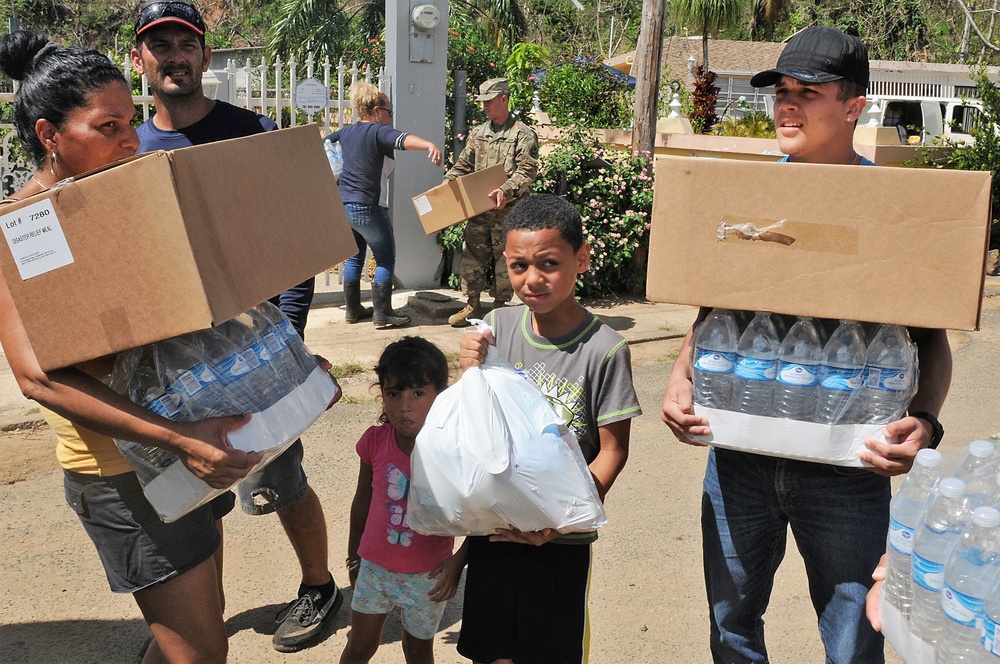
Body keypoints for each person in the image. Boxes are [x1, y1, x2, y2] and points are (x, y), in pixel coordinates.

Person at [659, 26, 953, 664]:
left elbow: (930, 339)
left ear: (854, 107)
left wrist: (925, 421)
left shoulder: (896, 215)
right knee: (730, 623)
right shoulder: (746, 206)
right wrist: (682, 376)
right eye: (780, 91)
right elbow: (715, 312)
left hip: (848, 465)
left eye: (807, 93)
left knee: (853, 636)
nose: (786, 105)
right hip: (740, 456)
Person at [0, 29, 268, 663]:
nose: (130, 139)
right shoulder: (22, 229)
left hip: (183, 449)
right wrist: (179, 439)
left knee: (198, 637)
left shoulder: (115, 202)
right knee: (201, 651)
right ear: (49, 135)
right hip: (122, 471)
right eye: (108, 125)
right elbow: (40, 380)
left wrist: (283, 374)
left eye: (130, 120)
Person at [130, 1, 344, 652]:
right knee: (196, 495)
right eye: (158, 44)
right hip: (176, 362)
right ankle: (199, 626)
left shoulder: (251, 130)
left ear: (205, 56)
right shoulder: (130, 149)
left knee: (280, 479)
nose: (173, 55)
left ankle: (319, 586)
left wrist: (288, 341)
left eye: (184, 43)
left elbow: (295, 245)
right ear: (140, 60)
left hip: (255, 347)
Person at [456, 193, 641, 663]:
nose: (531, 279)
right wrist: (467, 370)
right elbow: (474, 426)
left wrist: (562, 521)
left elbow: (612, 451)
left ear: (581, 259)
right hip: (495, 532)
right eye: (518, 266)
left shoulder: (605, 349)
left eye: (549, 264)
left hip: (562, 541)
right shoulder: (497, 328)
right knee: (491, 651)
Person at [339, 337, 466, 664]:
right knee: (359, 648)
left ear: (440, 395)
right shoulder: (374, 442)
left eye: (418, 394)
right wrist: (354, 557)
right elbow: (361, 503)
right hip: (375, 571)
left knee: (419, 652)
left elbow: (483, 517)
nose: (404, 406)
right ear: (381, 393)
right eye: (393, 393)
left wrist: (458, 562)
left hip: (430, 578)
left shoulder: (455, 449)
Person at [325, 82, 442, 329]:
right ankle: (383, 313)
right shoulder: (378, 131)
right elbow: (403, 139)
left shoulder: (346, 133)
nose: (390, 117)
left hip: (344, 205)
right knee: (386, 259)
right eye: (389, 112)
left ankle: (353, 310)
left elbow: (325, 141)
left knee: (355, 258)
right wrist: (429, 145)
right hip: (369, 205)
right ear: (377, 111)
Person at [444, 77, 539, 328]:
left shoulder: (523, 134)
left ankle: (500, 310)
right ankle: (472, 305)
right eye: (482, 101)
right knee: (472, 254)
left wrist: (505, 190)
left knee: (505, 259)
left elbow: (526, 171)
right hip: (479, 209)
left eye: (489, 101)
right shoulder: (479, 133)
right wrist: (448, 182)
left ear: (504, 99)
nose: (484, 106)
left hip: (508, 211)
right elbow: (464, 164)